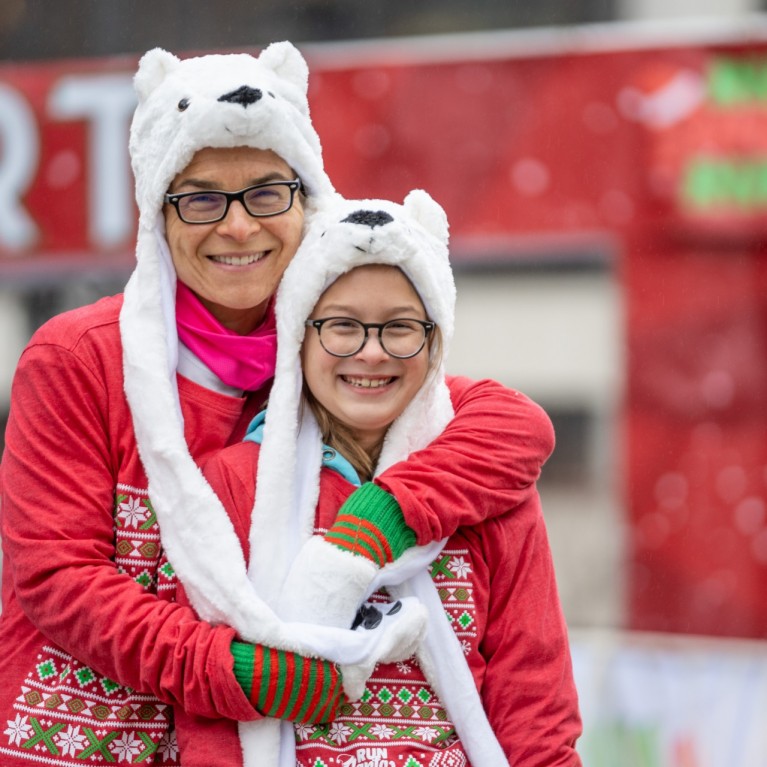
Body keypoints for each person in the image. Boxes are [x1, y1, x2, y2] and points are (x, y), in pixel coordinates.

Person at [0, 43, 555, 767]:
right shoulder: (80, 357)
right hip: (93, 742)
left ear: (307, 197)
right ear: (156, 213)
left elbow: (508, 424)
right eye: (200, 197)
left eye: (265, 192)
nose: (237, 227)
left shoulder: (334, 355)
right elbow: (57, 578)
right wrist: (235, 671)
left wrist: (381, 517)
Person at [185, 190, 582, 767]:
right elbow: (209, 715)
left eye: (400, 328)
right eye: (342, 327)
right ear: (298, 335)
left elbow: (535, 704)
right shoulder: (232, 486)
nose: (371, 354)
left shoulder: (489, 490)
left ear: (435, 340)